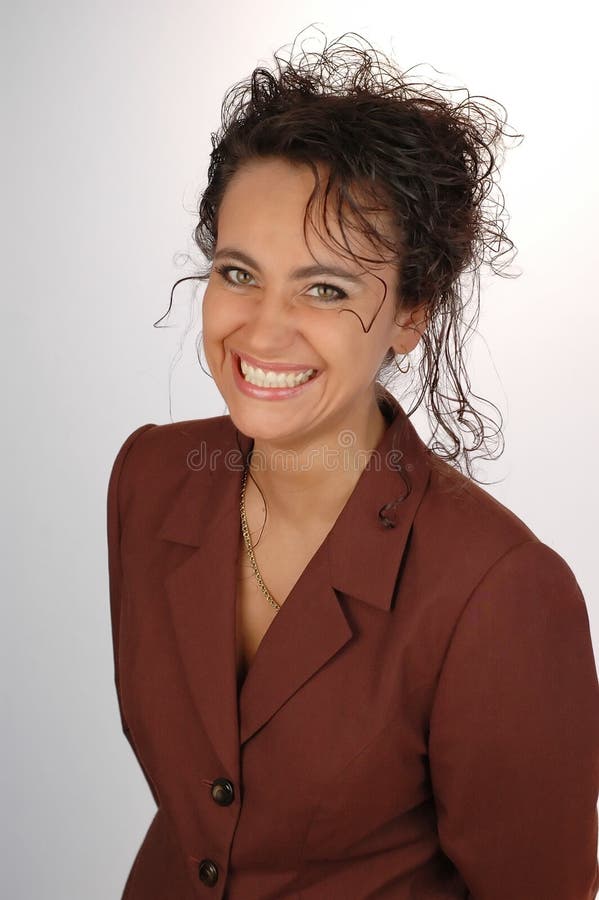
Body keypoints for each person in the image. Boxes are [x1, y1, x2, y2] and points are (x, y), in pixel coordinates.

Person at [106, 28, 599, 900]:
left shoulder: (501, 592)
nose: (261, 329)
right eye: (237, 272)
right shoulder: (150, 477)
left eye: (324, 288)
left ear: (410, 313)